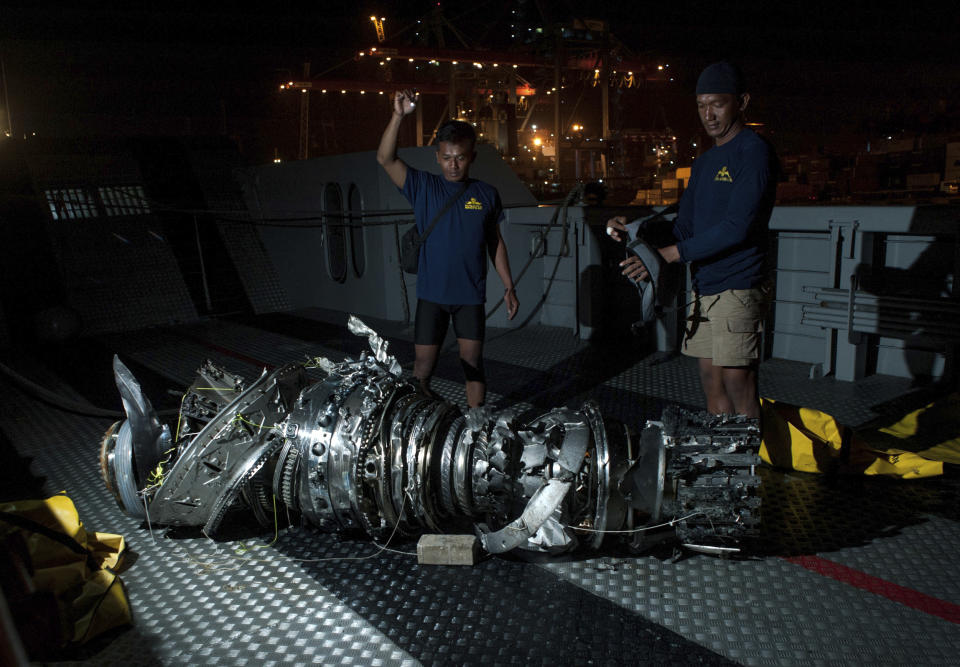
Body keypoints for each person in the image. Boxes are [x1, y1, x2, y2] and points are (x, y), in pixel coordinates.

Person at [607, 62, 776, 418]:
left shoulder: (754, 151)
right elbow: (684, 227)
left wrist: (667, 256)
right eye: (701, 105)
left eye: (717, 104)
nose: (708, 114)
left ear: (741, 102)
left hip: (739, 285)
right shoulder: (704, 163)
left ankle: (751, 469)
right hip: (705, 286)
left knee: (737, 383)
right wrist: (636, 230)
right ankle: (721, 462)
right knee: (711, 381)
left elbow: (737, 227)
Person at [377, 89, 519, 407]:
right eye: (446, 157)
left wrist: (509, 286)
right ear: (437, 156)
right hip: (432, 297)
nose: (453, 165)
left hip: (469, 297)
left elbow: (495, 242)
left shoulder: (486, 194)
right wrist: (398, 116)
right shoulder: (424, 187)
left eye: (460, 157)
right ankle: (420, 416)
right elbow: (385, 159)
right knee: (422, 368)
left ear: (472, 157)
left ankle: (476, 427)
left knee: (472, 364)